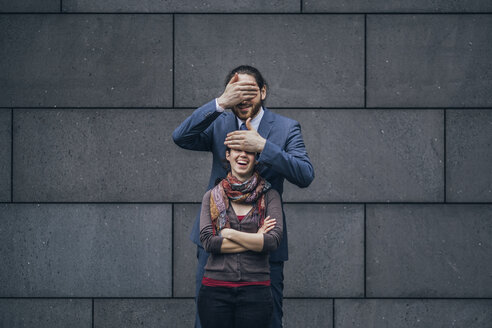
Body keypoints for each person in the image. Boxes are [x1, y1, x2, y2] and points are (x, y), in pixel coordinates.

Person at [172, 65, 314, 328]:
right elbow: (180, 137)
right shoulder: (218, 123)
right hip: (214, 240)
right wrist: (220, 103)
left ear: (263, 92)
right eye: (237, 91)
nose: (243, 98)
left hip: (265, 245)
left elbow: (305, 174)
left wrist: (263, 146)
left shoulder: (286, 128)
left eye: (249, 90)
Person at [198, 147, 282, 328]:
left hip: (257, 291)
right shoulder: (211, 196)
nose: (243, 155)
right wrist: (256, 239)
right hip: (214, 291)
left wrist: (229, 233)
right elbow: (209, 242)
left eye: (249, 151)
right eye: (237, 150)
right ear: (228, 155)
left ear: (256, 158)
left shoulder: (270, 196)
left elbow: (272, 241)